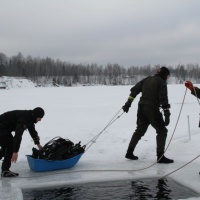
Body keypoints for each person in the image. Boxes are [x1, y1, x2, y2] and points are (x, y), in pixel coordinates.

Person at [122, 67, 174, 164]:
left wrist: (128, 103)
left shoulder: (147, 79)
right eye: (167, 76)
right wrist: (167, 113)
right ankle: (160, 157)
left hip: (141, 108)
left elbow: (134, 90)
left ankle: (129, 152)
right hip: (152, 109)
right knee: (162, 131)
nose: (167, 78)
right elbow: (163, 98)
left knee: (140, 130)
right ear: (164, 74)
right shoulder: (162, 82)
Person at [0, 107, 45, 177]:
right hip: (1, 127)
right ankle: (5, 170)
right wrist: (15, 151)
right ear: (36, 115)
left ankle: (5, 170)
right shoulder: (24, 120)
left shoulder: (30, 118)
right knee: (10, 146)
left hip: (3, 127)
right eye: (40, 118)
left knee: (6, 146)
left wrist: (38, 144)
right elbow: (18, 135)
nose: (40, 120)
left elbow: (33, 131)